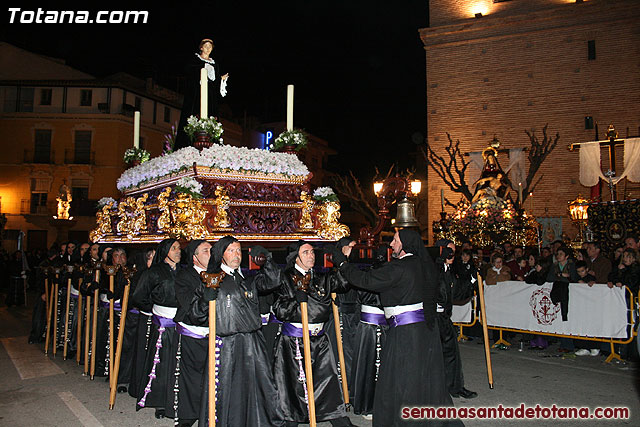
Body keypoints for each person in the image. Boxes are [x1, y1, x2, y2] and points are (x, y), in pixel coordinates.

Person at [336, 229, 462, 427]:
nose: (392, 245)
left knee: (403, 378)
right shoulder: (423, 264)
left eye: (395, 241)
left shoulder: (400, 267)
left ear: (405, 244)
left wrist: (343, 264)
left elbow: (366, 281)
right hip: (424, 330)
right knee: (424, 375)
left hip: (406, 332)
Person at [198, 236, 284, 426]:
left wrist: (267, 258)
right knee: (229, 391)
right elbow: (195, 313)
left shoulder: (248, 281)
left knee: (259, 387)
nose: (236, 255)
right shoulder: (212, 280)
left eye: (238, 250)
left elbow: (274, 281)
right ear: (221, 255)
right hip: (228, 346)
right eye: (231, 250)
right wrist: (205, 299)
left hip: (253, 343)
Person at [272, 240, 354, 427]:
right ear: (295, 257)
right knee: (295, 383)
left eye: (312, 252)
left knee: (327, 380)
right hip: (295, 341)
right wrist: (296, 301)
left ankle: (337, 417)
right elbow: (279, 310)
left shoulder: (320, 278)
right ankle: (290, 420)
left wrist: (344, 260)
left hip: (320, 339)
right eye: (306, 252)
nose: (311, 255)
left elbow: (342, 283)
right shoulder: (284, 278)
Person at [132, 239, 181, 419]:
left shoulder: (183, 272)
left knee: (178, 363)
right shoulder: (153, 272)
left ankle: (177, 398)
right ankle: (160, 402)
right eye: (174, 248)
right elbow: (138, 296)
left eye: (179, 248)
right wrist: (156, 311)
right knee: (161, 363)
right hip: (162, 324)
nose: (178, 251)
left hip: (181, 324)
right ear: (166, 251)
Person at [434, 239, 476, 400]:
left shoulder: (449, 270)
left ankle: (455, 387)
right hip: (430, 319)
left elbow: (456, 293)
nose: (452, 255)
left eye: (454, 252)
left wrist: (470, 281)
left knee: (452, 352)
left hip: (443, 318)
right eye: (448, 251)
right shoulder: (432, 269)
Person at [175, 38, 229, 150]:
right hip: (196, 96)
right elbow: (189, 72)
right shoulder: (195, 60)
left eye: (210, 47)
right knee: (195, 115)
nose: (208, 48)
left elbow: (214, 82)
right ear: (201, 48)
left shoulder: (215, 64)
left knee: (211, 115)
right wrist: (202, 69)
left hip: (210, 97)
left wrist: (221, 79)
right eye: (206, 46)